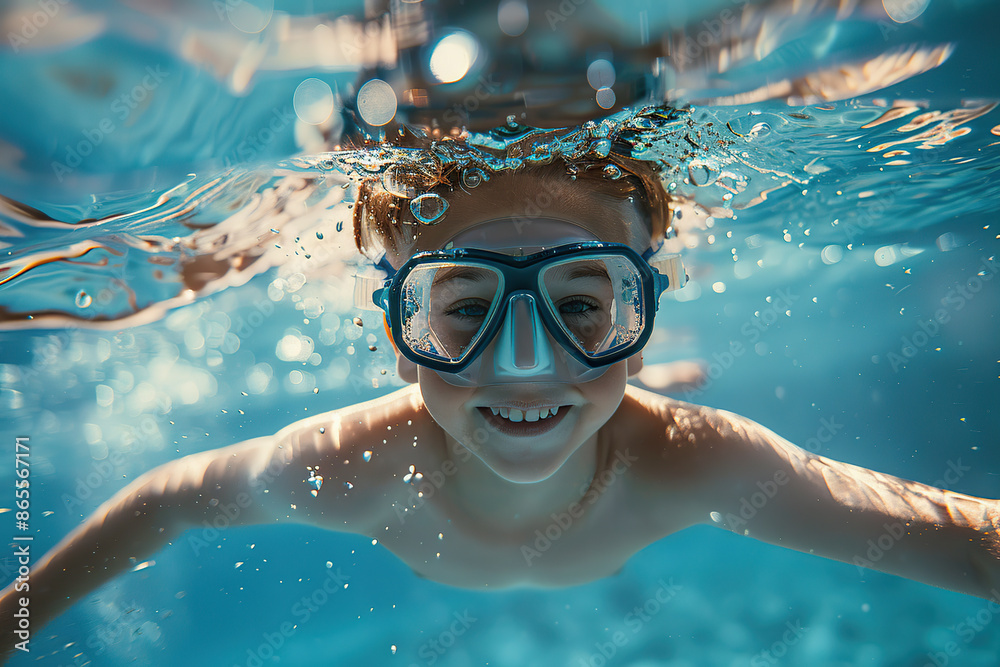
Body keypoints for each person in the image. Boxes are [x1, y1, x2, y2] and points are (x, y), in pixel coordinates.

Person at [2, 122, 998, 658]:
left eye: (584, 307)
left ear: (642, 317)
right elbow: (168, 499)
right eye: (467, 309)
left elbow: (964, 543)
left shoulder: (694, 458)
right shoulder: (353, 464)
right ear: (399, 340)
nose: (523, 361)